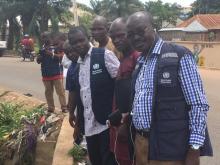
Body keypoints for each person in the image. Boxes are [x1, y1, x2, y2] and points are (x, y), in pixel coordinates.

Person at [126, 11, 213, 165]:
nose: (136, 37)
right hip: (142, 146)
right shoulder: (140, 62)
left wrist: (194, 148)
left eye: (141, 31)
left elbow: (198, 104)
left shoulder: (179, 55)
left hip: (171, 147)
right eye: (131, 34)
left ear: (154, 28)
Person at [67, 26, 119, 165]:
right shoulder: (78, 66)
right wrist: (78, 122)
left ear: (88, 38)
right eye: (74, 42)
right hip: (89, 127)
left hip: (107, 124)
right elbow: (81, 98)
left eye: (81, 40)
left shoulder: (103, 55)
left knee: (109, 161)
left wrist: (119, 114)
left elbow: (120, 83)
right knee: (95, 161)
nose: (79, 45)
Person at [109, 17, 140, 165]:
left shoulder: (137, 58)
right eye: (113, 37)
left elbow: (138, 97)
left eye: (121, 35)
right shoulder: (123, 57)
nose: (116, 40)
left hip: (129, 127)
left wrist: (125, 124)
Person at [37, 31, 67, 113]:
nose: (44, 39)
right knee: (48, 92)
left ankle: (64, 107)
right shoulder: (42, 49)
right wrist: (39, 57)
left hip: (56, 73)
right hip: (46, 74)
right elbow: (38, 61)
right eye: (42, 37)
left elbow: (62, 57)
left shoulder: (56, 48)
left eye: (45, 37)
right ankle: (50, 108)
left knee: (60, 91)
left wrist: (51, 54)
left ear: (50, 37)